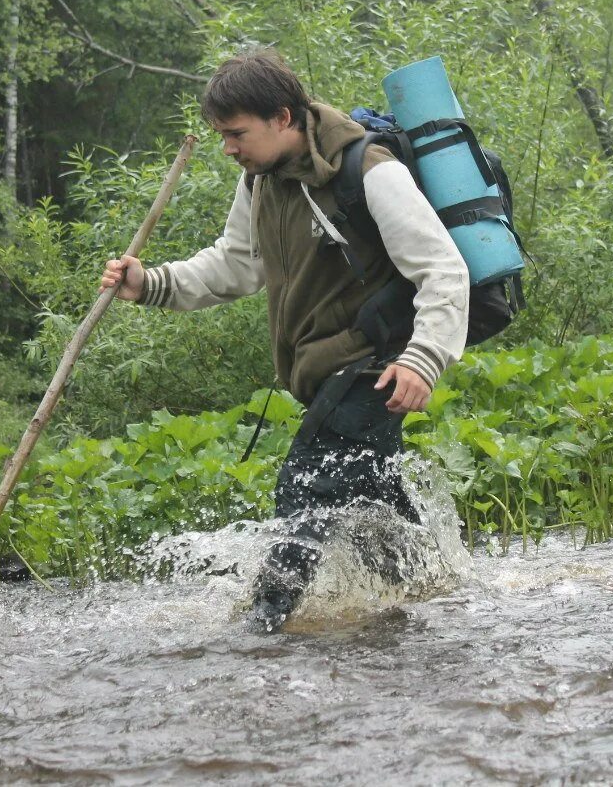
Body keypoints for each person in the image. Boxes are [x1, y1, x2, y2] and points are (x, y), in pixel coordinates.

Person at [101, 48, 469, 630]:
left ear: (282, 118)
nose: (227, 146)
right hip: (329, 376)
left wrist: (423, 361)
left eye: (235, 132)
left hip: (370, 371)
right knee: (374, 517)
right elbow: (235, 265)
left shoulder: (370, 171)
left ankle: (261, 630)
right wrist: (152, 283)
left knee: (305, 495)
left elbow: (444, 270)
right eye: (221, 134)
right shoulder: (261, 181)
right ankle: (438, 602)